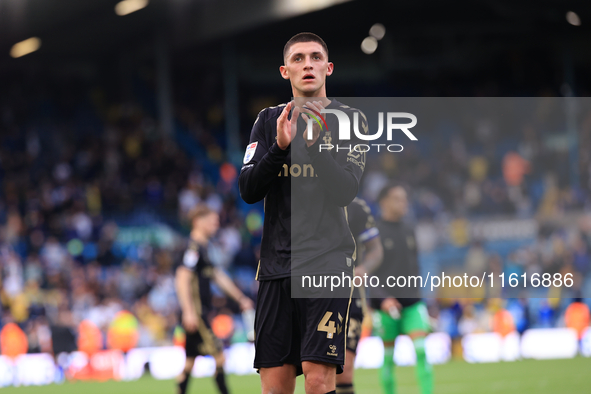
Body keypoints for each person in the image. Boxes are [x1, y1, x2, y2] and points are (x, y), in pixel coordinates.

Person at [239, 32, 366, 394]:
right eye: (298, 58)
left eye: (314, 57)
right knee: (275, 384)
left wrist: (313, 147)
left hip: (328, 262)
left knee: (317, 376)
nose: (307, 64)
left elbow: (345, 190)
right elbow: (248, 190)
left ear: (328, 68)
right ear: (285, 71)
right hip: (276, 267)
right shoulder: (268, 121)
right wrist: (279, 147)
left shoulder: (351, 120)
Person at [175, 205, 254, 394]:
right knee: (220, 357)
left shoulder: (204, 248)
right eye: (212, 221)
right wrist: (189, 311)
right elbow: (182, 277)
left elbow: (218, 276)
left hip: (199, 311)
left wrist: (240, 298)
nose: (216, 225)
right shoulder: (193, 248)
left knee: (189, 362)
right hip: (196, 313)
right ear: (198, 222)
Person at [372, 183, 433, 394]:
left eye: (404, 198)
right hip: (385, 306)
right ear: (384, 202)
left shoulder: (409, 229)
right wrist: (383, 298)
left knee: (422, 351)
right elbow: (366, 273)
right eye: (398, 198)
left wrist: (420, 296)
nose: (404, 203)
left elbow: (415, 267)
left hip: (412, 303)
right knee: (388, 360)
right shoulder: (374, 232)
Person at [336, 197, 383, 394]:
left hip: (350, 298)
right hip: (310, 294)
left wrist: (364, 269)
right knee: (316, 370)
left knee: (344, 371)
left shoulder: (357, 207)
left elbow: (375, 249)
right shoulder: (305, 199)